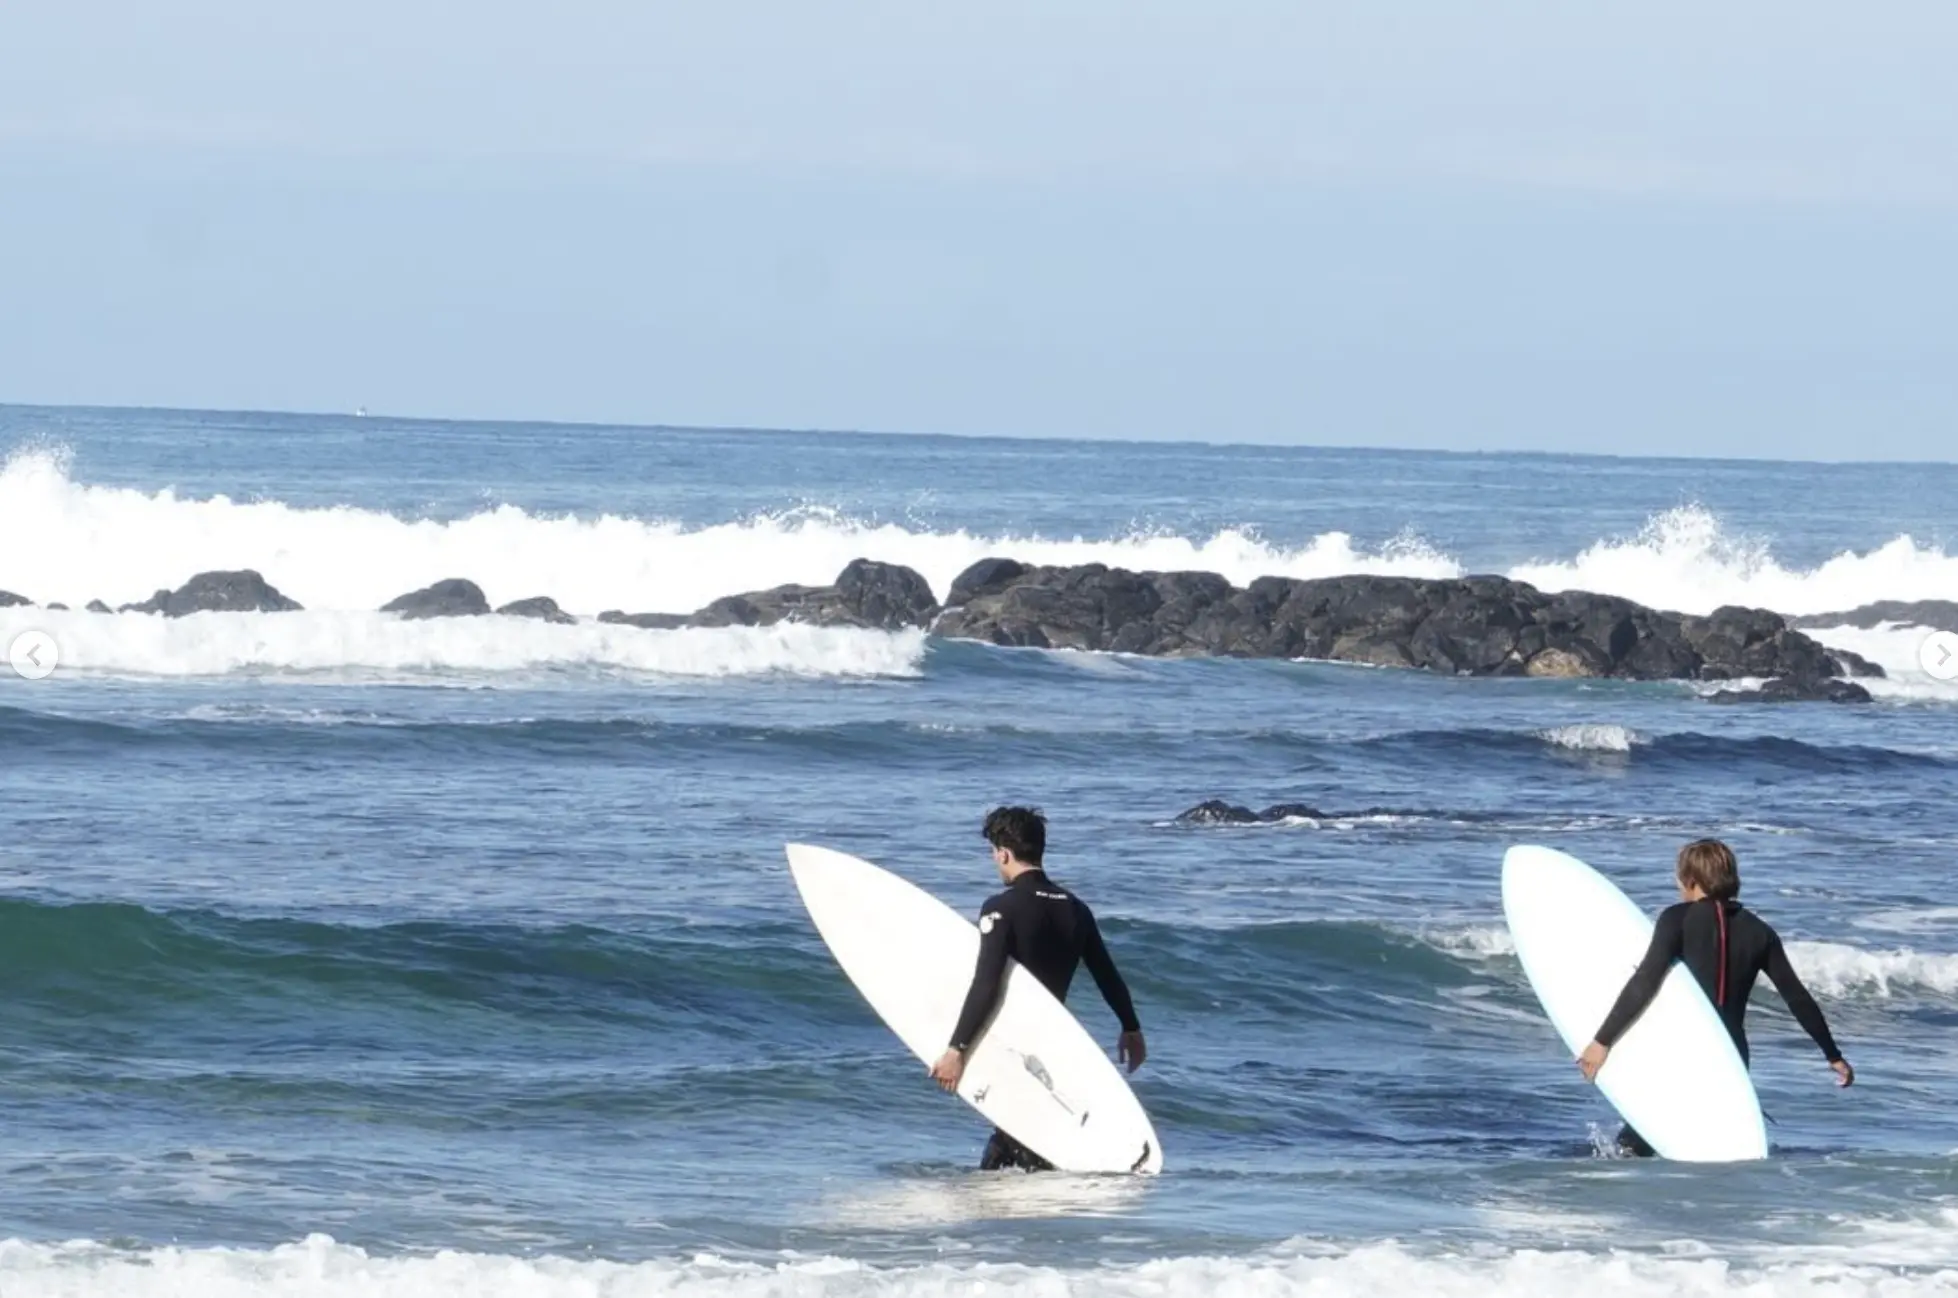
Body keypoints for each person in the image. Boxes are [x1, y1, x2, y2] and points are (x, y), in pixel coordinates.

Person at [1577, 838, 1853, 1157]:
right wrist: (1833, 1055)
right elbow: (1797, 998)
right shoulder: (1760, 932)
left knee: (1633, 1146)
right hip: (1733, 1057)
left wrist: (1602, 1042)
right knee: (1703, 1146)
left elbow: (1645, 981)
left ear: (1691, 881)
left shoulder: (1676, 919)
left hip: (1684, 1052)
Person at [927, 806, 1148, 1171]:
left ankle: (1011, 1212)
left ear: (1004, 853)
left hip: (1012, 1043)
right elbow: (1107, 975)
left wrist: (957, 1049)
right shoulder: (1077, 909)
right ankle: (1038, 1210)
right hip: (1053, 1043)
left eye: (994, 854)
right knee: (1022, 1135)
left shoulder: (1000, 908)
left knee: (1009, 1145)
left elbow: (987, 983)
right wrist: (1131, 1027)